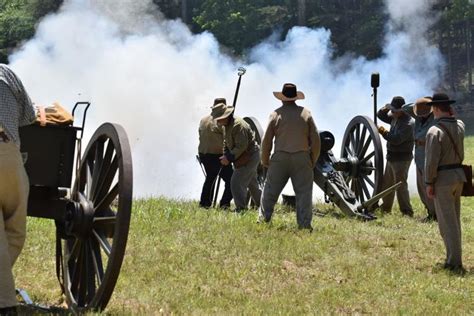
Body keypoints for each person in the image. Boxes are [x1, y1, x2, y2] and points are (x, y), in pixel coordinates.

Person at [259, 83, 320, 230]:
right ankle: (304, 225)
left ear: (282, 99)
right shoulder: (306, 113)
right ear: (295, 98)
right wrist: (312, 160)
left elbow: (266, 140)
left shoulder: (275, 114)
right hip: (302, 157)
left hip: (280, 157)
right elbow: (316, 139)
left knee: (270, 190)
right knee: (304, 193)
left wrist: (265, 160)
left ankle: (263, 220)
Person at [0, 64, 36, 313]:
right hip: (7, 153)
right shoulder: (7, 74)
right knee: (15, 232)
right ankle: (4, 302)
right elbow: (30, 117)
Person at [424, 93, 466, 273]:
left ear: (435, 108)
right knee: (454, 221)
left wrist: (429, 182)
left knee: (447, 223)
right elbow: (456, 120)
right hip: (459, 177)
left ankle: (453, 262)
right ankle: (453, 256)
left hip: (443, 180)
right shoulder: (460, 125)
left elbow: (431, 161)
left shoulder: (434, 131)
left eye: (433, 108)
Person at [212, 103, 261, 212]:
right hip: (243, 156)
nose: (217, 121)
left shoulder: (238, 125)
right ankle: (264, 206)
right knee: (252, 185)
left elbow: (241, 146)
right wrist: (225, 154)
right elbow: (226, 142)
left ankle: (241, 209)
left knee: (236, 182)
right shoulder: (226, 126)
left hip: (250, 156)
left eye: (219, 119)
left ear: (225, 117)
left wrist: (228, 158)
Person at [377, 96, 415, 216]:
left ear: (402, 110)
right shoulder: (395, 117)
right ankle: (386, 208)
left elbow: (396, 139)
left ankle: (407, 211)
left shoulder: (408, 123)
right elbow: (380, 115)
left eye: (394, 111)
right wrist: (386, 107)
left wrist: (383, 132)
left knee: (400, 187)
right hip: (392, 157)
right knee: (387, 184)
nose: (392, 113)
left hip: (402, 159)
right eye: (391, 111)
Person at [402, 97, 436, 221]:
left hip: (429, 153)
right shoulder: (418, 116)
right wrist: (417, 106)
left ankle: (435, 214)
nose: (421, 115)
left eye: (424, 113)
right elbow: (405, 108)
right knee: (421, 187)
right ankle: (430, 212)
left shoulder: (435, 118)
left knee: (430, 186)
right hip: (418, 154)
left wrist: (430, 105)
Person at [198, 98, 233, 208]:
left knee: (210, 178)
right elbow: (227, 139)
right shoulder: (220, 121)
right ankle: (224, 204)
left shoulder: (203, 120)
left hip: (203, 154)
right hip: (216, 155)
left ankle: (205, 203)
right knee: (231, 181)